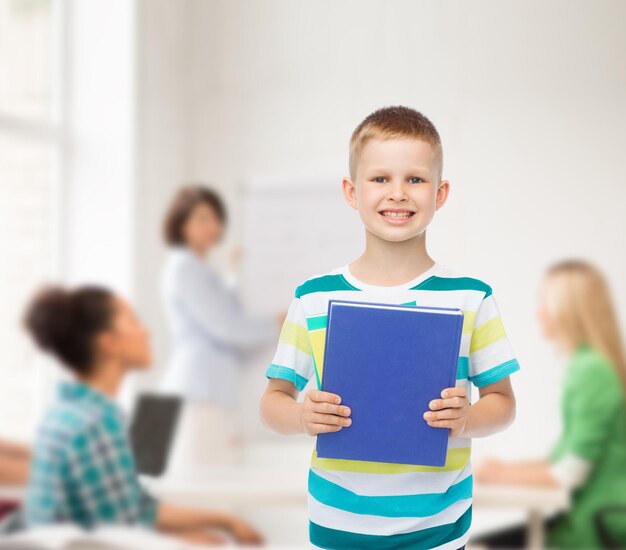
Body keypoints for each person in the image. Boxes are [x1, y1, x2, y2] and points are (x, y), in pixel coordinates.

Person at [259, 105, 521, 550]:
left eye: (415, 179)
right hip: (338, 528)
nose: (397, 193)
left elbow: (503, 403)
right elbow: (273, 402)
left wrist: (467, 418)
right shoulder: (313, 297)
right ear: (351, 190)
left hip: (438, 531)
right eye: (380, 179)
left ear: (439, 193)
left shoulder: (471, 296)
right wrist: (302, 416)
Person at [22, 284, 263, 546]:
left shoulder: (68, 413)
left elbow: (137, 510)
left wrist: (222, 520)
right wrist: (195, 541)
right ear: (108, 343)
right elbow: (120, 537)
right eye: (133, 321)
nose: (146, 331)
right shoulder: (96, 424)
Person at [471, 259, 626, 549]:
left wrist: (502, 475)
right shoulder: (590, 365)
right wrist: (504, 470)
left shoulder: (591, 371)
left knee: (480, 546)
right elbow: (565, 458)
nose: (539, 312)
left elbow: (569, 473)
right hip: (590, 516)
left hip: (598, 524)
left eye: (545, 301)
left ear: (568, 310)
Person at [160, 185, 284, 469]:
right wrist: (276, 322)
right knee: (204, 488)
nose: (213, 226)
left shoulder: (198, 268)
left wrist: (233, 272)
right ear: (181, 223)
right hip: (196, 395)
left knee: (211, 482)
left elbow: (223, 310)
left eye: (216, 218)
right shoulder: (184, 267)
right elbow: (226, 325)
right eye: (202, 219)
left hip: (205, 394)